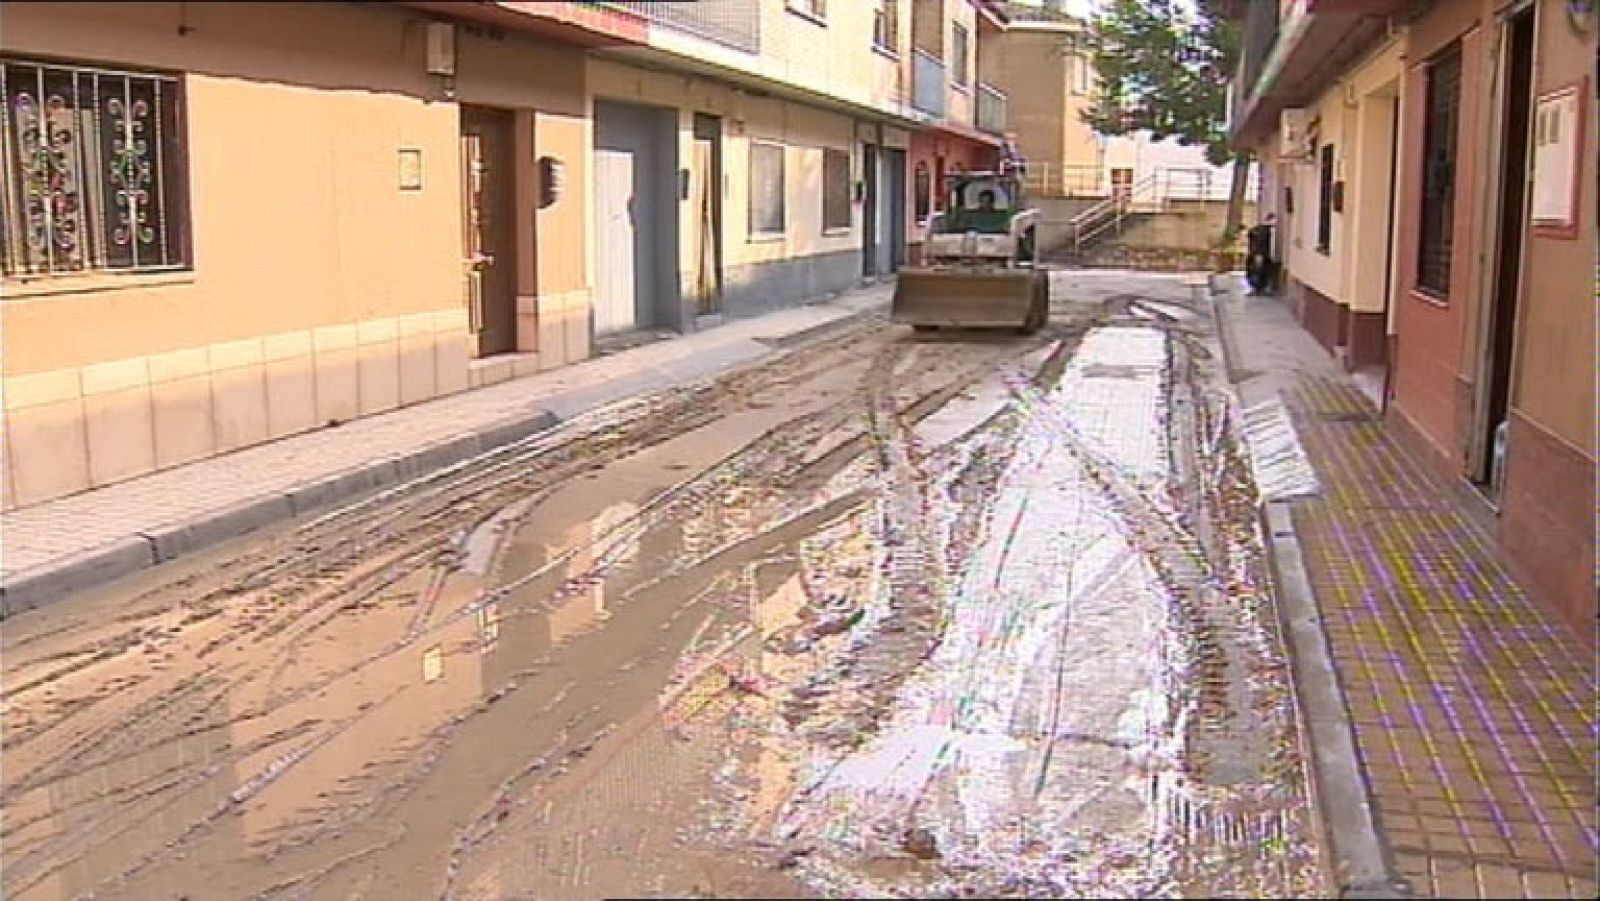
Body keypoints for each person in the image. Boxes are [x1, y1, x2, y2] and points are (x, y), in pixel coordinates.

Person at [1246, 214, 1279, 295]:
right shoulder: (1264, 230)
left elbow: (1250, 234)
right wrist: (1259, 254)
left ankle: (1258, 289)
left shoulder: (1261, 229)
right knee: (1259, 272)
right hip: (1260, 254)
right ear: (1270, 220)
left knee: (1260, 271)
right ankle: (1258, 289)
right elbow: (1260, 243)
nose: (1275, 223)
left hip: (1260, 254)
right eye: (1274, 221)